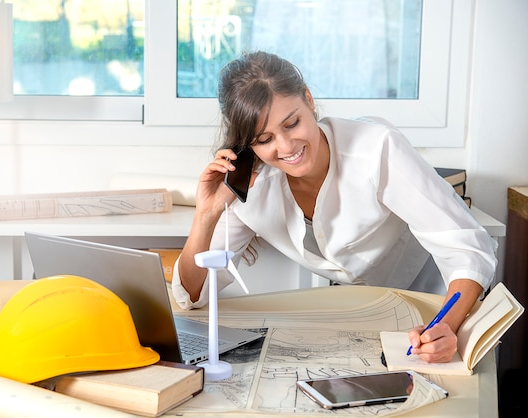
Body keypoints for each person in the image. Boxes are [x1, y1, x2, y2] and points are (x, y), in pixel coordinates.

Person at [171, 51, 497, 364]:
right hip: (365, 312)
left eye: (292, 123)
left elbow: (468, 248)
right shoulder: (253, 185)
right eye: (264, 139)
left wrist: (447, 326)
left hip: (440, 297)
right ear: (248, 144)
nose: (285, 147)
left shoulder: (376, 148)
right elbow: (194, 295)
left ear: (309, 101)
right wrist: (207, 213)